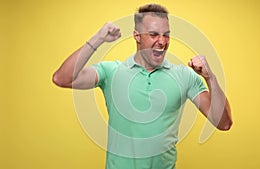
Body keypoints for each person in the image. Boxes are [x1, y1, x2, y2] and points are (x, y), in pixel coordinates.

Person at [53, 3, 232, 169]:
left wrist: (211, 78)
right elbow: (61, 78)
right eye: (154, 34)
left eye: (166, 34)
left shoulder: (184, 76)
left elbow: (223, 123)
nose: (162, 41)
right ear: (137, 36)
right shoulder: (111, 72)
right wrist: (98, 39)